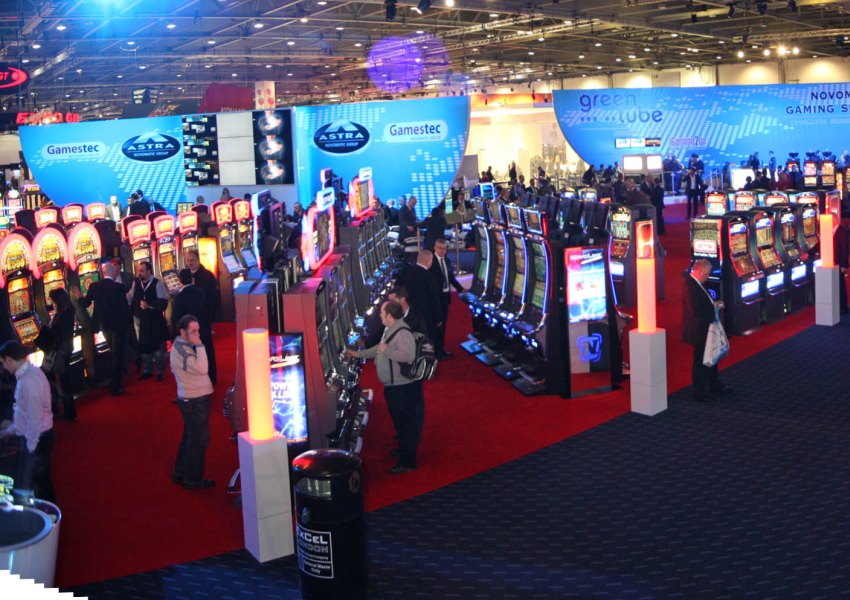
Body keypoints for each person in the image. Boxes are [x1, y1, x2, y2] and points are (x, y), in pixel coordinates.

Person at [345, 301, 420, 474]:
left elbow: (408, 356)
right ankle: (403, 451)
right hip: (393, 386)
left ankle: (408, 462)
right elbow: (379, 348)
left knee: (406, 424)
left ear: (390, 316)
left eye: (382, 313)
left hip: (402, 387)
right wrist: (358, 354)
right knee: (399, 423)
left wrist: (387, 351)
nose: (379, 315)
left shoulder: (402, 332)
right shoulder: (390, 329)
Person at [0, 340, 55, 501]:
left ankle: (47, 514)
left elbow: (34, 419)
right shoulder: (29, 374)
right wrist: (8, 431)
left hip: (38, 438)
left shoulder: (28, 380)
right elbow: (24, 416)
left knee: (38, 486)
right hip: (37, 436)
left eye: (2, 362)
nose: (3, 367)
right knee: (40, 483)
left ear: (9, 359)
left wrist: (30, 448)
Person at [170, 314, 215, 489]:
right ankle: (193, 478)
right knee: (199, 440)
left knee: (190, 436)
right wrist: (200, 345)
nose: (197, 335)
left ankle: (180, 472)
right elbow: (203, 368)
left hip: (191, 397)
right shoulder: (184, 350)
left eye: (198, 331)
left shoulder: (181, 345)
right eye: (193, 331)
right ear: (183, 332)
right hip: (194, 399)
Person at [73, 262, 130, 396]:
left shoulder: (94, 286)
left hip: (103, 325)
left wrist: (79, 296)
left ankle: (111, 380)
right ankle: (115, 385)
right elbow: (124, 308)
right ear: (113, 273)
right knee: (117, 354)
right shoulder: (119, 287)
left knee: (111, 351)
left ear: (103, 273)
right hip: (118, 325)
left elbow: (85, 304)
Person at [682, 259, 732, 402]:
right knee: (701, 362)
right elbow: (695, 309)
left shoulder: (697, 283)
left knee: (712, 357)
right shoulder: (690, 286)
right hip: (699, 330)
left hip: (706, 328)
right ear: (698, 272)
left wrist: (714, 305)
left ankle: (714, 385)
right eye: (706, 274)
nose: (707, 277)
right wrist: (714, 308)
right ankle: (699, 392)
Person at [129, 262, 169, 381]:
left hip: (155, 320)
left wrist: (149, 305)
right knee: (144, 346)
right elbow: (130, 297)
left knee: (158, 348)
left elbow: (163, 303)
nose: (139, 273)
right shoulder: (136, 283)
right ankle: (147, 371)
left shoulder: (157, 283)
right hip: (142, 319)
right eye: (138, 271)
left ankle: (161, 372)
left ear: (149, 271)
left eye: (142, 271)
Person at [183, 251, 218, 384]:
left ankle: (211, 376)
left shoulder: (207, 276)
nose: (189, 263)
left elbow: (214, 299)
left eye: (192, 260)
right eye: (187, 260)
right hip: (190, 319)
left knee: (206, 347)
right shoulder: (186, 276)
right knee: (193, 349)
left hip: (203, 318)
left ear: (198, 260)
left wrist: (206, 312)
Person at [429, 239, 465, 359]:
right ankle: (436, 351)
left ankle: (441, 350)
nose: (442, 251)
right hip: (435, 298)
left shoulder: (447, 261)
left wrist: (461, 289)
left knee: (443, 325)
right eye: (440, 248)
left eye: (444, 248)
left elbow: (451, 278)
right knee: (437, 325)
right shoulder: (431, 262)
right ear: (435, 248)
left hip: (445, 297)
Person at [401, 249, 441, 354]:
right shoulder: (429, 277)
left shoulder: (406, 272)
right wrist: (438, 318)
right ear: (429, 261)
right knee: (426, 341)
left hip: (408, 312)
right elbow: (434, 300)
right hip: (426, 316)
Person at [46, 288, 76, 421]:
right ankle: (67, 410)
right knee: (63, 379)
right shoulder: (68, 309)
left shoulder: (62, 314)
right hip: (66, 348)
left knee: (61, 380)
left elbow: (55, 331)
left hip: (60, 350)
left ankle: (67, 411)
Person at [171, 268, 208, 334]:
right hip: (201, 328)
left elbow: (175, 318)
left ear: (179, 280)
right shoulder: (200, 291)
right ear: (192, 279)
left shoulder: (179, 297)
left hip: (187, 331)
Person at [835, 213, 850, 315]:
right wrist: (809, 253)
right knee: (838, 285)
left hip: (840, 263)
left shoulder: (842, 231)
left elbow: (845, 249)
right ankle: (840, 306)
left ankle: (843, 308)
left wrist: (844, 265)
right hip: (833, 263)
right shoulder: (833, 230)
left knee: (841, 286)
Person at [398, 196, 419, 263]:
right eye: (413, 203)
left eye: (415, 203)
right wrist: (407, 226)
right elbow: (402, 220)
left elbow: (414, 218)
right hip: (405, 232)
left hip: (412, 232)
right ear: (409, 201)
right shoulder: (403, 209)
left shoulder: (413, 209)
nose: (414, 204)